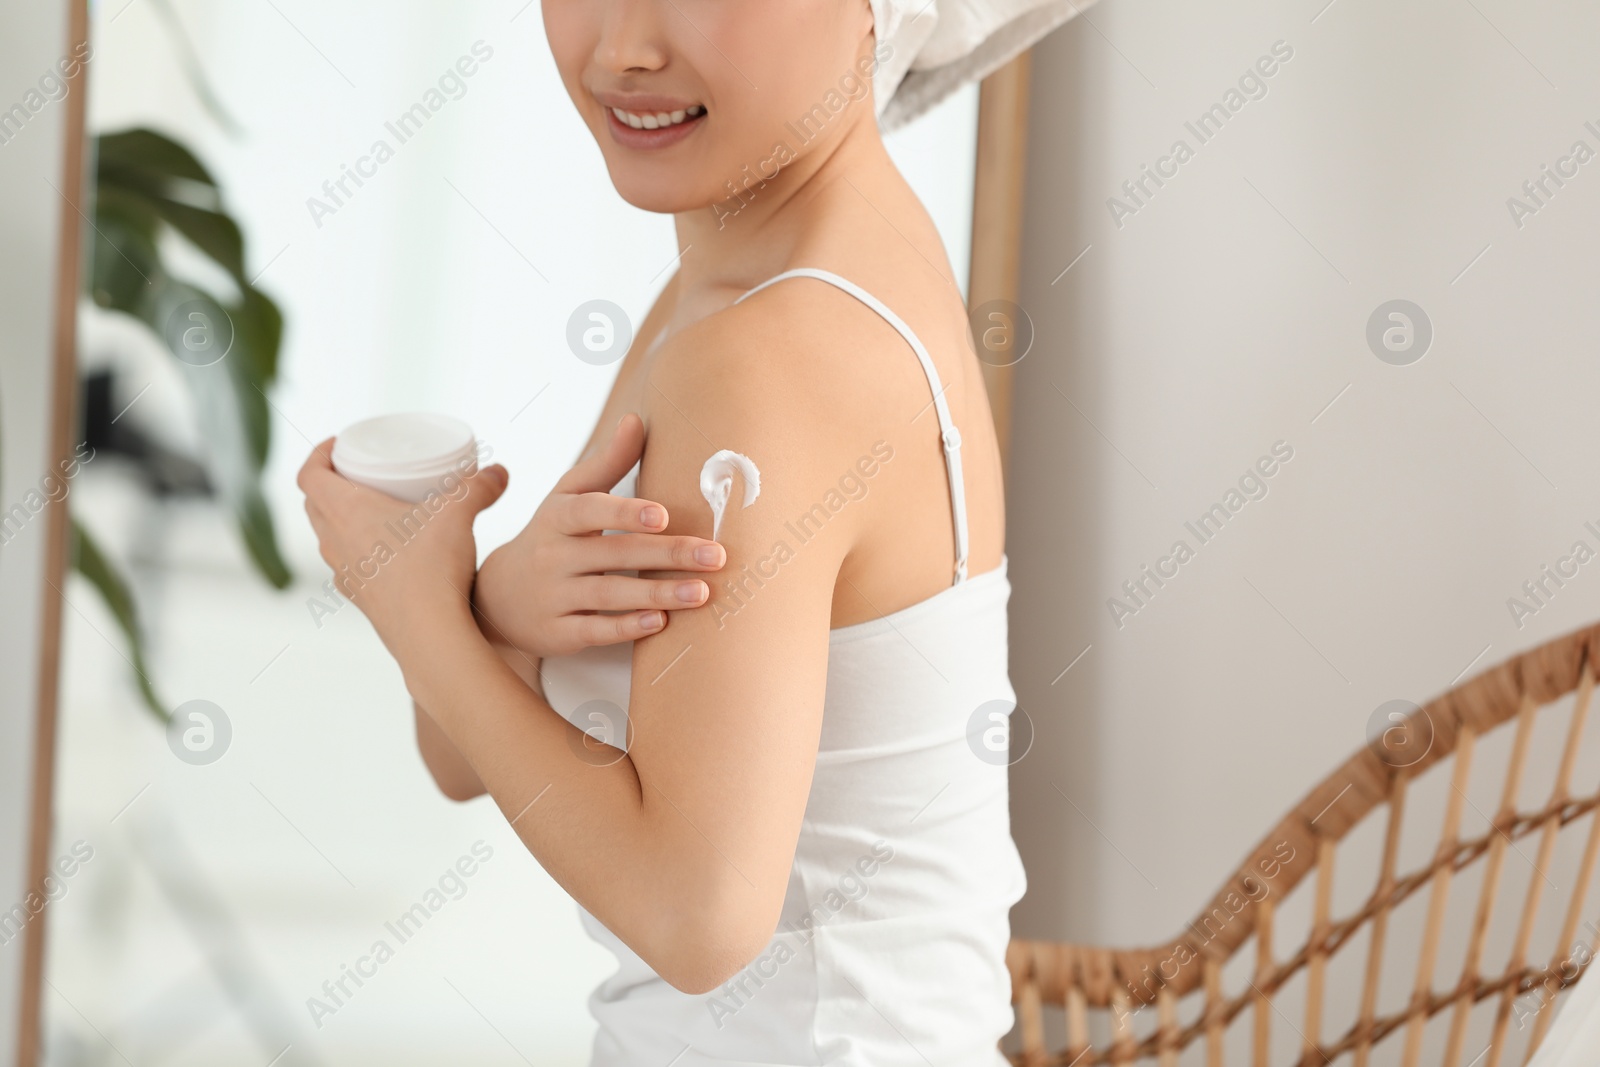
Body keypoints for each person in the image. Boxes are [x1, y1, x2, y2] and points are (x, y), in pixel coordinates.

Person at [299, 1, 1079, 1062]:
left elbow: (695, 918)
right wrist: (494, 604)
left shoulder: (766, 354)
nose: (623, 50)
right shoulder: (730, 291)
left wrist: (407, 601)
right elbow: (460, 748)